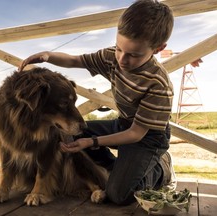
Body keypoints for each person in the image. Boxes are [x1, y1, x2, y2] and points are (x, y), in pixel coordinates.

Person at [19, 0, 176, 205]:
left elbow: (136, 134)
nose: (121, 59)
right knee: (74, 132)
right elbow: (75, 61)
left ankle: (161, 168)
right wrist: (48, 56)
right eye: (119, 48)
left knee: (119, 195)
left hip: (148, 137)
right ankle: (117, 168)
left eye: (133, 55)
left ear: (158, 48)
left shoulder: (159, 85)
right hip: (123, 123)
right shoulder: (111, 56)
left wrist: (92, 142)